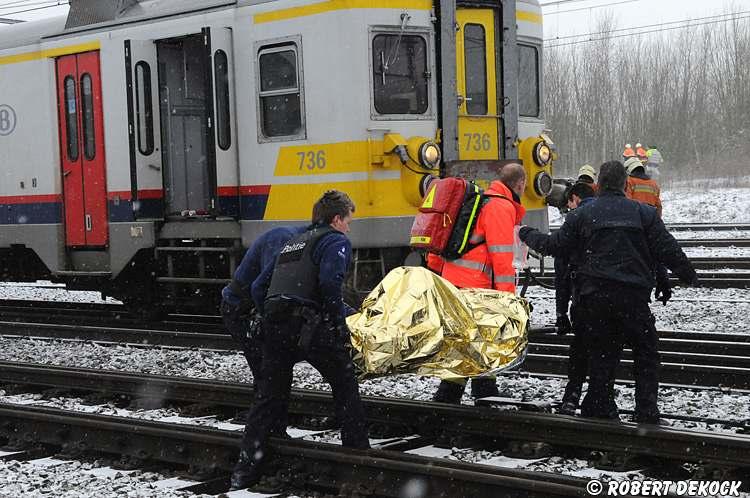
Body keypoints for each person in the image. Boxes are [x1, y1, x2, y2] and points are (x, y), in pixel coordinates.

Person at [519, 161, 697, 424]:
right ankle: (646, 410)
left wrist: (527, 233)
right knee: (646, 354)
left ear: (599, 186)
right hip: (633, 300)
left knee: (604, 355)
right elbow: (668, 250)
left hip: (596, 300)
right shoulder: (643, 213)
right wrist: (689, 275)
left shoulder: (581, 215)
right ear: (625, 185)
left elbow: (554, 246)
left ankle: (601, 407)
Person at [230, 190, 369, 490]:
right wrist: (338, 325)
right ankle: (358, 455)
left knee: (269, 395)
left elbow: (258, 286)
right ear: (336, 219)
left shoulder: (294, 242)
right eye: (348, 221)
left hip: (276, 324)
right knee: (345, 382)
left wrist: (270, 317)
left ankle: (245, 469)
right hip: (309, 324)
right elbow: (330, 284)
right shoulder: (335, 241)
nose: (349, 228)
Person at [428, 163, 527, 404]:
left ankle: (472, 390)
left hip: (457, 281)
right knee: (476, 338)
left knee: (471, 340)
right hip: (476, 286)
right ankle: (458, 394)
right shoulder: (500, 207)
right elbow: (501, 258)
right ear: (520, 184)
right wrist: (508, 299)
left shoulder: (482, 201)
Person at [220, 225, 306, 381]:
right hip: (242, 311)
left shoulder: (294, 240)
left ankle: (266, 400)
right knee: (269, 376)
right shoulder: (283, 240)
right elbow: (265, 288)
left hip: (245, 308)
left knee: (272, 377)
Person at [553, 182, 596, 415]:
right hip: (610, 300)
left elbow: (562, 276)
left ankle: (571, 397)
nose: (568, 208)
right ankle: (599, 399)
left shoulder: (573, 223)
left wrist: (561, 312)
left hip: (583, 300)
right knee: (604, 353)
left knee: (580, 350)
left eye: (569, 203)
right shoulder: (605, 218)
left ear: (575, 199)